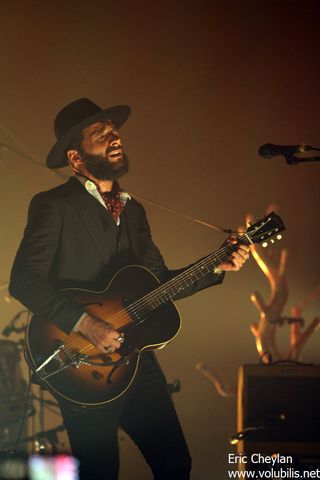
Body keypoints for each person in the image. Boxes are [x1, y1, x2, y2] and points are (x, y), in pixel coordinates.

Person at [9, 98, 250, 479]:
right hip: (80, 360)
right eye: (101, 133)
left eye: (114, 130)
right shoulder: (54, 206)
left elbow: (158, 284)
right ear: (75, 157)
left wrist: (216, 265)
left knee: (175, 465)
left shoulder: (134, 211)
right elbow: (23, 280)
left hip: (136, 359)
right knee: (101, 472)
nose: (114, 135)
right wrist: (85, 324)